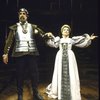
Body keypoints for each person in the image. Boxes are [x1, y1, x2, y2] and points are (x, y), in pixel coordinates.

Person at [2, 8, 50, 100]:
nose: (22, 15)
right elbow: (9, 41)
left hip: (31, 53)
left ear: (27, 16)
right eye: (20, 14)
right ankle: (20, 94)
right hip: (19, 54)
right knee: (20, 75)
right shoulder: (14, 28)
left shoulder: (32, 27)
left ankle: (35, 93)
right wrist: (5, 53)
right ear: (18, 15)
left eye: (24, 14)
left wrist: (47, 35)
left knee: (34, 74)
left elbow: (42, 35)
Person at [45, 24, 98, 100]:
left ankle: (71, 92)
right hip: (60, 57)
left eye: (67, 30)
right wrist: (50, 35)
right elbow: (53, 43)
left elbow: (80, 41)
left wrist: (88, 38)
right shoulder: (58, 39)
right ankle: (59, 91)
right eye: (64, 30)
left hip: (70, 57)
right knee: (59, 72)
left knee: (71, 73)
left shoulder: (71, 40)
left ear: (69, 32)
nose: (66, 31)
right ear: (62, 32)